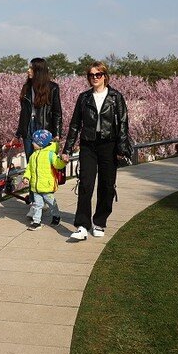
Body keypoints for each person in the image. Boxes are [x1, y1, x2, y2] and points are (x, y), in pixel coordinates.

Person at [60, 61, 132, 241]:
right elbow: (75, 124)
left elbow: (123, 123)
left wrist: (122, 147)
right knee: (85, 184)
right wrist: (67, 149)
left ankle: (99, 221)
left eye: (98, 75)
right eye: (91, 75)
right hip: (88, 145)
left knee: (107, 185)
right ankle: (82, 225)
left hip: (109, 144)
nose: (94, 78)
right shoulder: (84, 98)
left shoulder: (116, 97)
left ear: (105, 76)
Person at [16, 57, 63, 162]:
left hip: (43, 128)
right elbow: (23, 112)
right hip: (28, 127)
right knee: (31, 161)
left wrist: (57, 134)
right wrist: (19, 133)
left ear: (39, 71)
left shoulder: (52, 88)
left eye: (31, 68)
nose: (28, 71)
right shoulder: (26, 87)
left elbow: (57, 112)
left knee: (44, 161)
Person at [21, 129, 65, 230]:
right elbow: (29, 168)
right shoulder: (33, 156)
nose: (32, 143)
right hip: (36, 187)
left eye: (34, 141)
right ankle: (36, 222)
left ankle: (56, 216)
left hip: (46, 186)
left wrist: (63, 162)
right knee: (37, 205)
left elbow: (57, 164)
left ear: (41, 143)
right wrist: (26, 177)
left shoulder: (50, 154)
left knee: (51, 203)